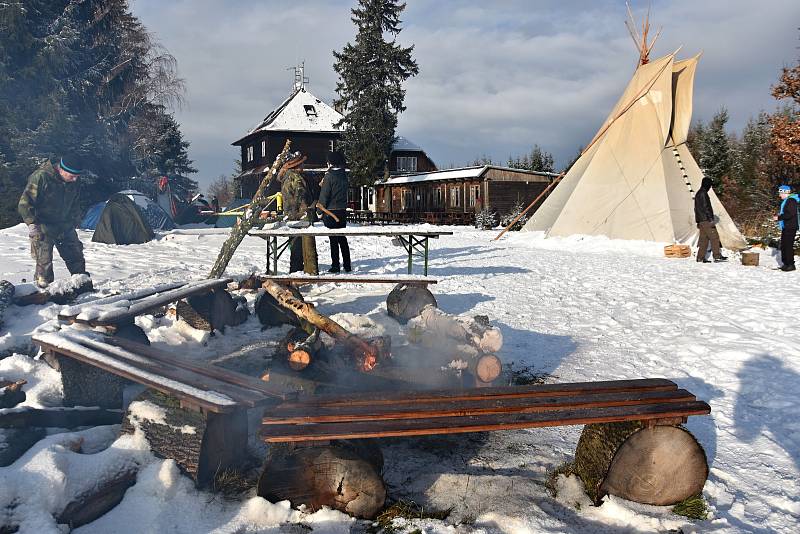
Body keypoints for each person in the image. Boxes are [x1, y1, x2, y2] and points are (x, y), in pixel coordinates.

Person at [18, 155, 89, 288]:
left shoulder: (74, 180)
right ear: (61, 169)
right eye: (71, 175)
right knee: (44, 264)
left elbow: (75, 202)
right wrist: (32, 224)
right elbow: (25, 203)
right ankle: (43, 292)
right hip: (43, 226)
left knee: (76, 257)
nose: (75, 179)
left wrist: (75, 219)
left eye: (77, 176)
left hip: (65, 225)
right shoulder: (41, 177)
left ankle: (82, 285)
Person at [280, 153, 318, 275]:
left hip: (291, 215)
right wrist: (308, 207)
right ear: (297, 165)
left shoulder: (287, 176)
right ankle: (299, 272)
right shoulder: (296, 178)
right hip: (300, 215)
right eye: (301, 163)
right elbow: (300, 196)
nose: (303, 165)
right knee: (300, 246)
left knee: (295, 244)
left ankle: (296, 270)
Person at [318, 151, 351, 273]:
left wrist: (319, 210)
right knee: (342, 238)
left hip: (331, 211)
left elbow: (324, 195)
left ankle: (335, 265)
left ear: (330, 163)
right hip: (342, 211)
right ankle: (347, 265)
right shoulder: (344, 175)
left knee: (333, 240)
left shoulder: (329, 176)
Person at [694, 177, 728, 263]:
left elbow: (696, 209)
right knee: (715, 237)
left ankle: (700, 258)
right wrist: (710, 219)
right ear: (707, 185)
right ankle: (717, 256)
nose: (710, 187)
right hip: (706, 220)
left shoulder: (698, 193)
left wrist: (698, 221)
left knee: (704, 240)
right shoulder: (703, 193)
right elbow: (706, 207)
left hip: (702, 221)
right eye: (709, 185)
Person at [773, 184, 798, 272]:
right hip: (786, 226)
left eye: (780, 193)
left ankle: (790, 265)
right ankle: (786, 264)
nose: (779, 195)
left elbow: (791, 214)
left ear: (785, 193)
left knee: (788, 246)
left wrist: (779, 217)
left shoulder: (791, 201)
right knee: (784, 245)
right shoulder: (788, 200)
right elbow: (787, 213)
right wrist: (780, 216)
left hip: (790, 227)